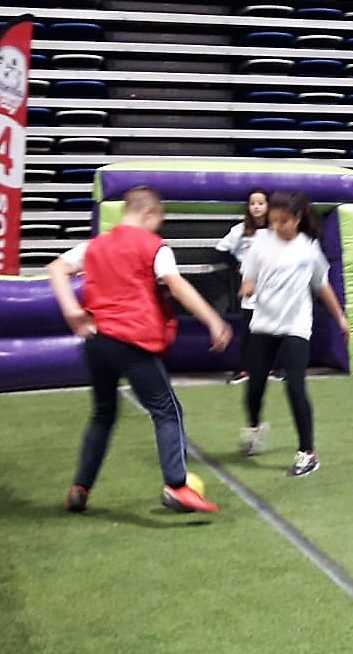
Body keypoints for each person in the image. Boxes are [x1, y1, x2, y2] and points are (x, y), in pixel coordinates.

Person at [47, 186, 231, 514]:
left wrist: (72, 311)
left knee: (103, 413)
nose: (158, 228)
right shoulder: (154, 246)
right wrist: (213, 319)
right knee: (167, 410)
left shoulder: (95, 245)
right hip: (131, 339)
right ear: (148, 213)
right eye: (158, 221)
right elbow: (177, 285)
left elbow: (55, 269)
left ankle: (80, 488)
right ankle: (177, 486)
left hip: (97, 341)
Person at [237, 191, 349, 477]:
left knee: (295, 386)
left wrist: (340, 317)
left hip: (295, 326)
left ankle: (307, 453)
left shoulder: (308, 249)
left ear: (297, 219)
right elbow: (249, 275)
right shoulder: (261, 241)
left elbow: (322, 285)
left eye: (283, 221)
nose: (277, 226)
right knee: (254, 388)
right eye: (273, 221)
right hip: (263, 323)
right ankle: (255, 428)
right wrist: (247, 285)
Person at [215, 188, 272, 385]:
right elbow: (221, 250)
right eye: (252, 203)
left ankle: (270, 367)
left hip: (274, 288)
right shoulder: (240, 230)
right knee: (250, 329)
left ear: (268, 206)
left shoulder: (277, 229)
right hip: (250, 289)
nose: (256, 207)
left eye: (261, 203)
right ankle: (244, 369)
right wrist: (238, 265)